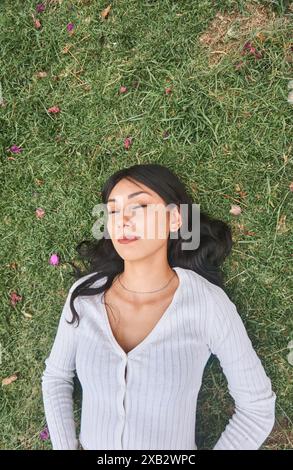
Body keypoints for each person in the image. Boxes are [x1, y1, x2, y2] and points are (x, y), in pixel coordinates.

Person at [41, 163, 276, 450]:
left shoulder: (207, 304)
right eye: (112, 211)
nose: (122, 220)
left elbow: (257, 408)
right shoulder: (84, 295)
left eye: (138, 207)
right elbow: (56, 377)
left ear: (175, 219)